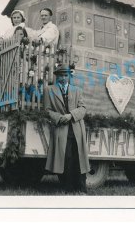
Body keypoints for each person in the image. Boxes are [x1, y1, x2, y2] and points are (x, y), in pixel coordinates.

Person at [44, 63, 90, 194]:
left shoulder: (77, 90)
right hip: (61, 129)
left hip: (76, 129)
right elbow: (47, 110)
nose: (63, 78)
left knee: (79, 158)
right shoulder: (49, 90)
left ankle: (82, 187)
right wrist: (59, 117)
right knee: (66, 158)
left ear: (69, 76)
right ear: (57, 77)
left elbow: (83, 108)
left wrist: (71, 115)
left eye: (65, 75)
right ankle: (68, 187)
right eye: (60, 76)